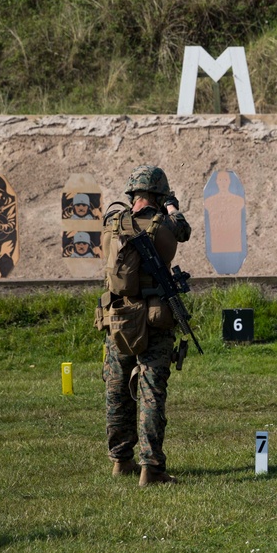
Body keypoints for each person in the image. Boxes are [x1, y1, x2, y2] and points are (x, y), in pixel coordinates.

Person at [99, 165, 191, 487]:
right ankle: (151, 469)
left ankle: (120, 461)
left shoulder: (113, 223)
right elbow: (184, 230)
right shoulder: (163, 224)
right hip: (153, 320)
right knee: (150, 393)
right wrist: (172, 207)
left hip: (117, 318)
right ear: (157, 194)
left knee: (117, 390)